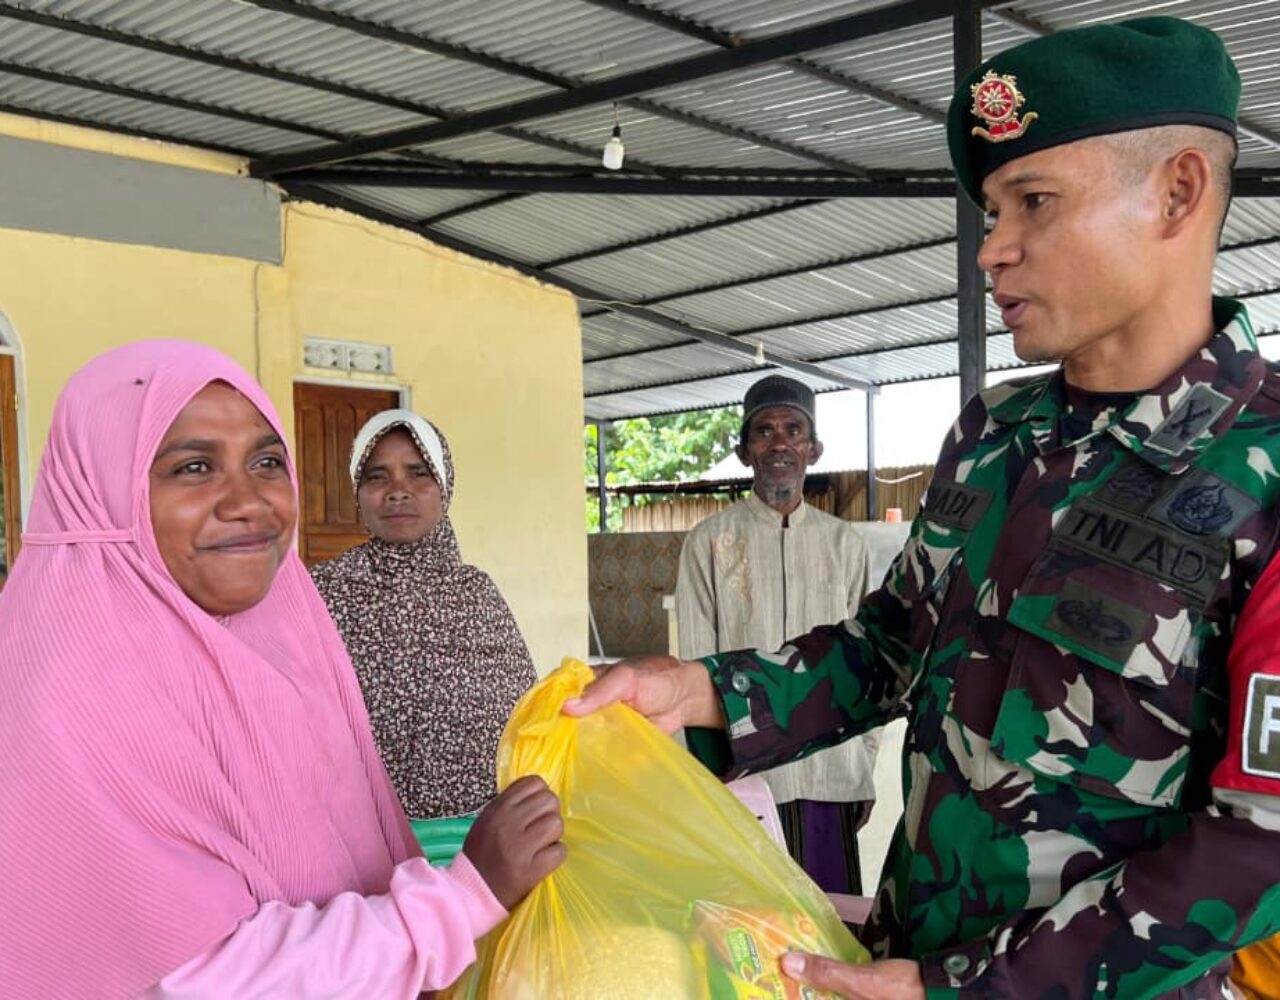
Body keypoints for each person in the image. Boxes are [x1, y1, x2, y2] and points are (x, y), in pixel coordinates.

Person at [567, 17, 1280, 999]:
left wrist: (959, 985)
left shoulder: (1264, 471)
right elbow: (886, 650)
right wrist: (693, 692)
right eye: (990, 211)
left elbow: (1257, 848)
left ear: (1175, 193)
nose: (992, 250)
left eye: (1032, 202)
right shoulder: (992, 436)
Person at [0, 341, 564, 998]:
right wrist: (459, 901)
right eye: (193, 467)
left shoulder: (282, 621)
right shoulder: (79, 687)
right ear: (102, 484)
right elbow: (209, 975)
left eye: (268, 462)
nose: (249, 501)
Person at [677, 373, 877, 895]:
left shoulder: (844, 544)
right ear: (744, 452)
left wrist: (862, 770)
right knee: (755, 927)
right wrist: (708, 772)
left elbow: (874, 662)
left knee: (834, 926)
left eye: (793, 429)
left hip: (830, 775)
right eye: (763, 432)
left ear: (814, 448)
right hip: (746, 774)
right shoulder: (709, 543)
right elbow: (696, 665)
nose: (779, 444)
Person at [311, 409, 536, 821]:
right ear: (357, 492)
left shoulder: (475, 593)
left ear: (444, 485)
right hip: (353, 827)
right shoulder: (323, 591)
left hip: (477, 831)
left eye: (418, 473)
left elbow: (524, 715)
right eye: (377, 476)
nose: (398, 491)